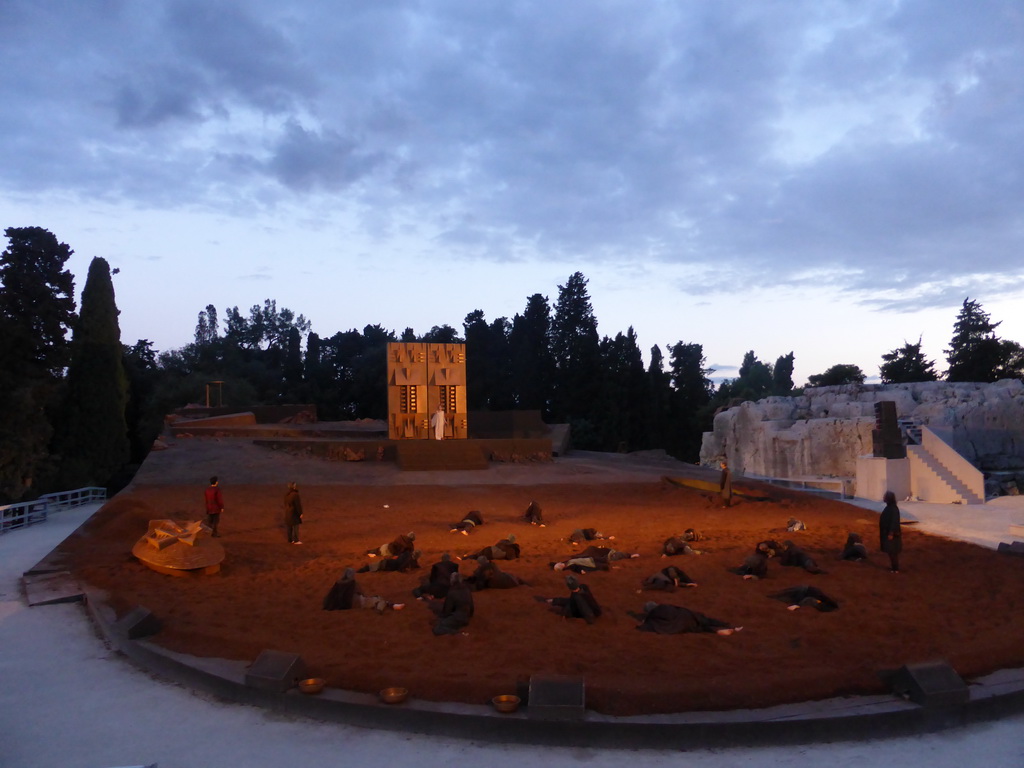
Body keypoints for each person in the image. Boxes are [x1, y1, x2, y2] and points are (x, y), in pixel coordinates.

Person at [322, 568, 405, 612]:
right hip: (356, 603)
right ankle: (386, 606)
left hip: (346, 604)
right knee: (379, 599)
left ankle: (389, 605)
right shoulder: (352, 583)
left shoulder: (337, 584)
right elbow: (362, 594)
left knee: (374, 599)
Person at [635, 602, 741, 635]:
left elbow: (648, 626)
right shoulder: (664, 606)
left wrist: (642, 624)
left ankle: (717, 631)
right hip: (688, 615)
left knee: (700, 629)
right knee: (707, 620)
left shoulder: (653, 618)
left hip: (682, 625)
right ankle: (731, 626)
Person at [551, 545, 638, 573]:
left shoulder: (567, 563)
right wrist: (581, 570)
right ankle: (629, 556)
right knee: (610, 558)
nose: (561, 563)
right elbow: (576, 568)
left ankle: (628, 555)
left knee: (607, 555)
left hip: (591, 559)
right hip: (593, 562)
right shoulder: (570, 565)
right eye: (560, 565)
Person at [879, 490, 902, 573]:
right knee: (891, 551)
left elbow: (894, 521)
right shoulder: (890, 507)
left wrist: (891, 533)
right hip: (888, 533)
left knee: (893, 551)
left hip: (891, 534)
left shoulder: (893, 508)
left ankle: (895, 568)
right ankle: (894, 567)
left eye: (885, 496)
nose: (883, 497)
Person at [768, 585, 839, 612]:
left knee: (785, 594)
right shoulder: (818, 599)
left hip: (805, 591)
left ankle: (772, 596)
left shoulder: (815, 600)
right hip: (805, 591)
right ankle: (773, 596)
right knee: (785, 594)